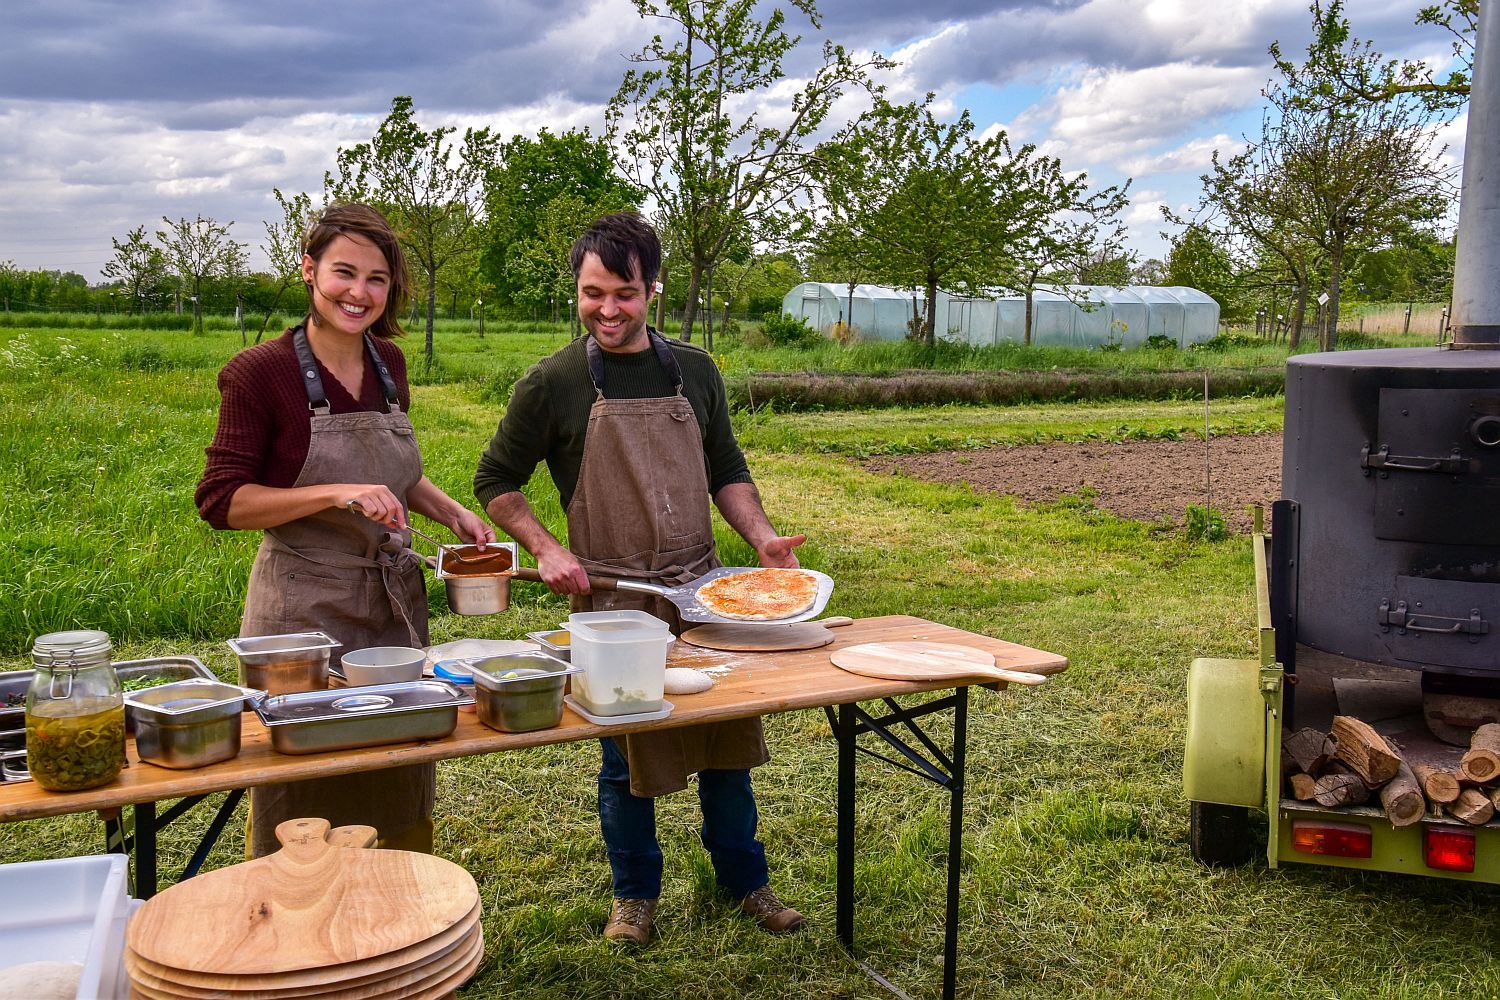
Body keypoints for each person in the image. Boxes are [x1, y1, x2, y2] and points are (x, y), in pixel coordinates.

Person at [473, 212, 807, 945]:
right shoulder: (553, 383)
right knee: (624, 755)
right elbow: (496, 479)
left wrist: (760, 538)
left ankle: (747, 883)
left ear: (653, 288)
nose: (608, 311)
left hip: (704, 593)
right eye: (593, 294)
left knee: (726, 745)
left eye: (623, 293)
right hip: (615, 603)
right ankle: (634, 897)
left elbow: (727, 469)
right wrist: (547, 547)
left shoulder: (696, 370)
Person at [195, 203, 494, 857]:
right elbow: (223, 501)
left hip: (388, 610)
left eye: (377, 279)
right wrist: (336, 493)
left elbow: (390, 476)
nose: (359, 293)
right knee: (302, 782)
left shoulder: (388, 363)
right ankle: (294, 937)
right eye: (344, 272)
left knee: (395, 769)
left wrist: (450, 511)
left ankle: (397, 933)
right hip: (299, 620)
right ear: (309, 270)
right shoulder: (259, 374)